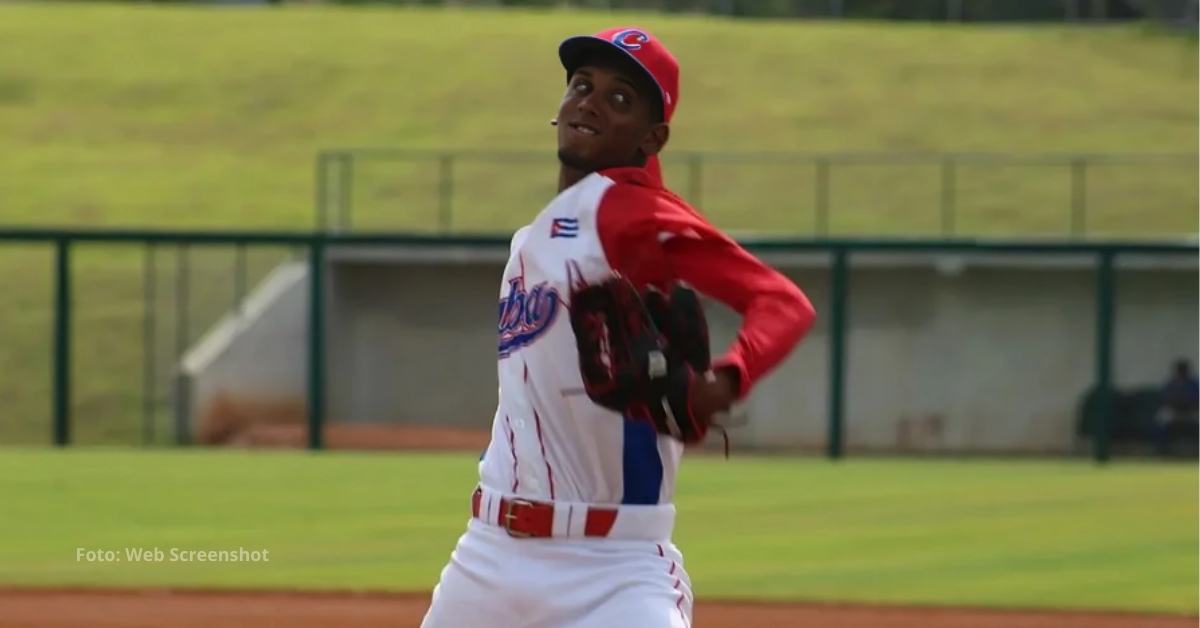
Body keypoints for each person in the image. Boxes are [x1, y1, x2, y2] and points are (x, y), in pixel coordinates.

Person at [420, 27, 815, 628]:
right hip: (487, 556)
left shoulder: (632, 213)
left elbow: (782, 303)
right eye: (582, 86)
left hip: (610, 571)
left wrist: (725, 380)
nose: (591, 102)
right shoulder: (536, 237)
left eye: (621, 98)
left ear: (651, 139)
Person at [1153, 359, 1199, 456]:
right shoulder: (1171, 383)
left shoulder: (1194, 383)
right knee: (1160, 418)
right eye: (1180, 370)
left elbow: (1196, 399)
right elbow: (1164, 398)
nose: (1182, 373)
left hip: (1192, 412)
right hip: (1174, 412)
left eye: (1184, 370)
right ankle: (1161, 449)